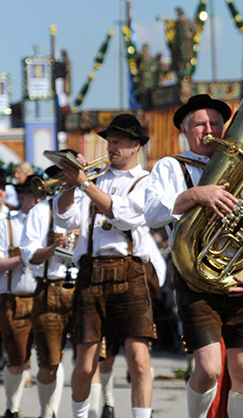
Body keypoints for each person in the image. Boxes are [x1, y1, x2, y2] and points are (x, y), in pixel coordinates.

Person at [144, 94, 243, 418]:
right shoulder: (172, 166)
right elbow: (153, 214)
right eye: (200, 124)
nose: (209, 129)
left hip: (241, 276)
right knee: (209, 367)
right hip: (195, 276)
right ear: (185, 130)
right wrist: (196, 194)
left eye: (215, 123)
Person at [54, 114, 156, 418]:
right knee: (85, 362)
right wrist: (71, 185)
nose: (110, 148)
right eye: (109, 142)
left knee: (139, 359)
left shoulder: (146, 181)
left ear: (135, 145)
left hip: (131, 272)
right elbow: (63, 219)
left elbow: (124, 215)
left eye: (118, 143)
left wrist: (84, 184)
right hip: (92, 272)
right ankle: (80, 415)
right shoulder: (94, 178)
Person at [19, 161, 81, 418]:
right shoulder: (40, 211)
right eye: (60, 177)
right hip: (50, 288)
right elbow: (29, 256)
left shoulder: (90, 206)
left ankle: (97, 408)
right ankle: (48, 413)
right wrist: (52, 249)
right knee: (49, 361)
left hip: (83, 286)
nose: (64, 182)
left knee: (93, 359)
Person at [0, 180, 41, 418]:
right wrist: (25, 258)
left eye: (40, 197)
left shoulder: (49, 221)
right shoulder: (7, 224)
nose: (36, 201)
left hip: (46, 295)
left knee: (51, 358)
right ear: (22, 196)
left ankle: (49, 412)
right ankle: (12, 408)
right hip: (14, 299)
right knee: (17, 361)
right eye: (31, 196)